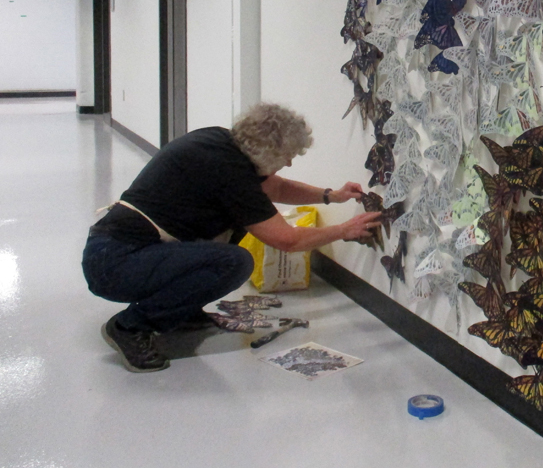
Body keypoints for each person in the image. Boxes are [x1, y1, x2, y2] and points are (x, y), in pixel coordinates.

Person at [82, 102, 381, 373]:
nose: (288, 163)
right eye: (287, 157)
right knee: (233, 262)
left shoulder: (224, 142)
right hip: (113, 263)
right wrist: (344, 230)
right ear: (269, 152)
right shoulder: (229, 171)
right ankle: (129, 327)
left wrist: (331, 196)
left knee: (236, 231)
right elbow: (286, 240)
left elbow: (275, 188)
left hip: (124, 249)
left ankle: (180, 311)